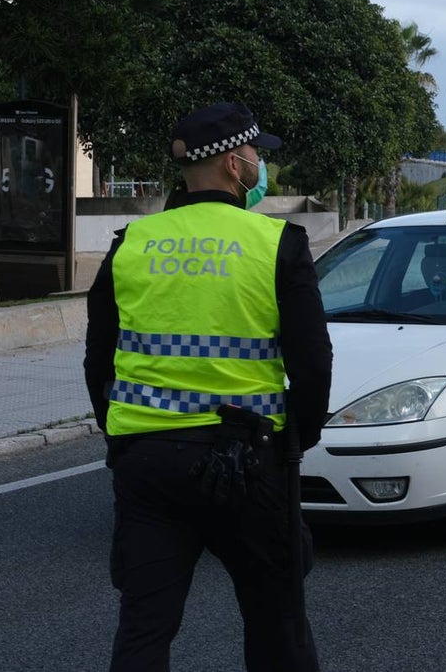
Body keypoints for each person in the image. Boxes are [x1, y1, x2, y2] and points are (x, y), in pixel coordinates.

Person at [84, 102, 333, 671]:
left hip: (147, 464)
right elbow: (314, 365)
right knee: (278, 623)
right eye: (255, 156)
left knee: (144, 629)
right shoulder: (277, 244)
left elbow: (99, 363)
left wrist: (125, 437)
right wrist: (296, 437)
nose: (259, 165)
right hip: (249, 460)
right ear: (231, 163)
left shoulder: (132, 244)